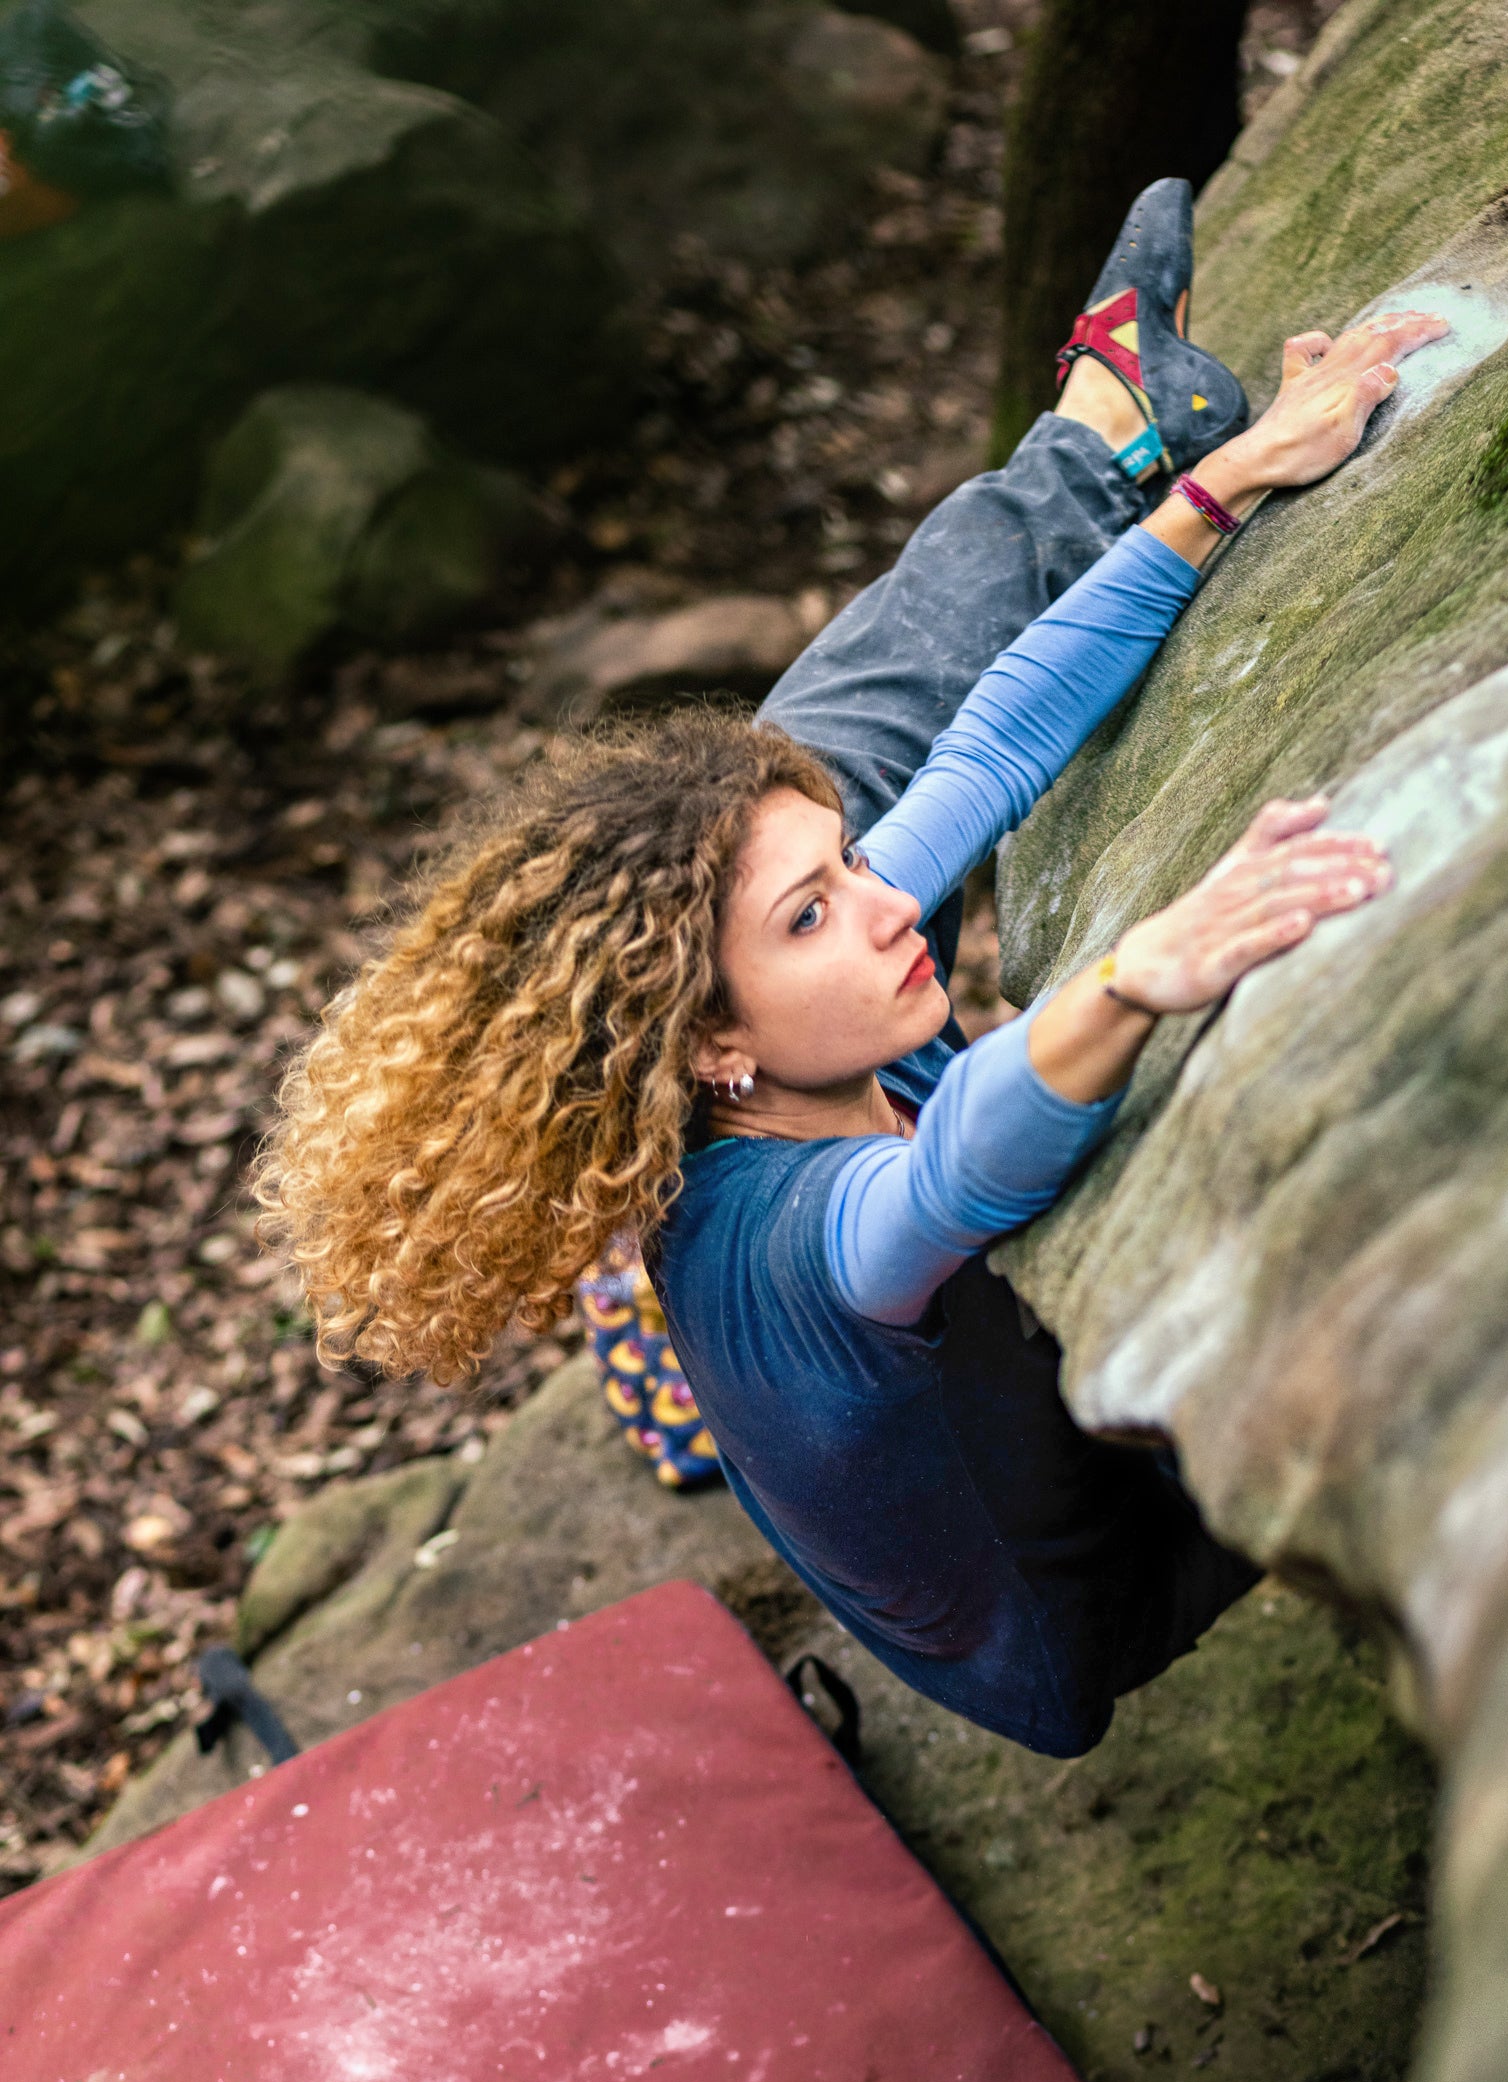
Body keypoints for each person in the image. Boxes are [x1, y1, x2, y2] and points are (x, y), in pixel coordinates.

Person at [258, 181, 1447, 1757]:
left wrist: (1225, 482)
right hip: (1080, 1613)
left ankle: (1112, 434)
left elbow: (1003, 728)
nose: (892, 912)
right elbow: (944, 1179)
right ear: (712, 1050)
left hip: (851, 1332)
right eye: (815, 918)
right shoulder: (811, 1242)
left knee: (828, 773)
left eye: (840, 888)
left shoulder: (749, 1049)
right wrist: (1134, 975)